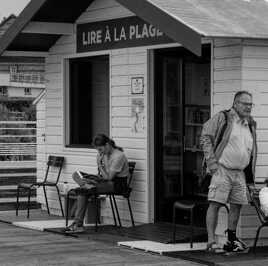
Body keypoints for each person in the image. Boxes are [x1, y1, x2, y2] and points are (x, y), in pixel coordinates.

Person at [200, 91, 257, 253]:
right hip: (222, 169)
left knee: (237, 204)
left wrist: (249, 176)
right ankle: (211, 240)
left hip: (240, 172)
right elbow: (205, 136)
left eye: (250, 104)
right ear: (235, 103)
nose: (248, 107)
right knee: (216, 203)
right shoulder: (223, 117)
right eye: (245, 104)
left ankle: (231, 239)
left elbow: (250, 150)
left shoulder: (250, 123)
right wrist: (212, 164)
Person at [65, 134, 129, 233]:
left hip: (116, 184)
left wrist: (99, 164)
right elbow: (103, 176)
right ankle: (87, 185)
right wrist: (93, 178)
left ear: (107, 145)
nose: (99, 152)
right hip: (104, 182)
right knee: (76, 174)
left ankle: (78, 224)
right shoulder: (104, 154)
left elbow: (109, 177)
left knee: (82, 191)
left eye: (100, 149)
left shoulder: (119, 156)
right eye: (98, 150)